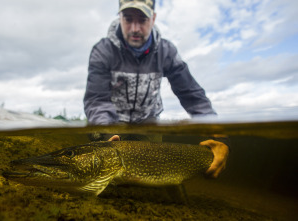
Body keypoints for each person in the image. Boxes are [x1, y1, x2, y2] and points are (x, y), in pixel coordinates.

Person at [83, 0, 229, 178]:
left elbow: (191, 94)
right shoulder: (103, 50)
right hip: (110, 120)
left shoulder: (166, 51)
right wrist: (106, 135)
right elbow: (97, 100)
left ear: (153, 18)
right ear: (119, 17)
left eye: (142, 20)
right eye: (128, 19)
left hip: (147, 123)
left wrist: (218, 136)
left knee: (158, 178)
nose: (135, 28)